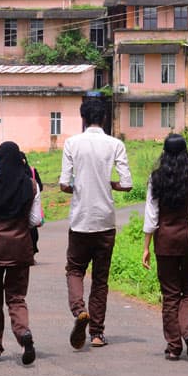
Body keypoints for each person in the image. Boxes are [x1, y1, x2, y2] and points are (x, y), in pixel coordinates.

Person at [59, 98, 132, 349]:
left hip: (80, 220)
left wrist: (80, 187)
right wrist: (107, 184)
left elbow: (64, 184)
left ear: (83, 119)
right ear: (103, 119)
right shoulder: (115, 144)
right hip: (105, 220)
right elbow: (127, 183)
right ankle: (97, 333)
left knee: (75, 270)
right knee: (100, 279)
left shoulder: (71, 143)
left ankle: (80, 310)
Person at [141, 134, 188, 361]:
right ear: (185, 153)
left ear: (164, 152)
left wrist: (146, 247)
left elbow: (151, 218)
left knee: (170, 294)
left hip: (165, 243)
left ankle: (173, 346)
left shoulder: (156, 178)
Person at [0, 141, 43, 365]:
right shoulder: (31, 186)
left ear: (0, 160)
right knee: (17, 298)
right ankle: (23, 334)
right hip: (21, 249)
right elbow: (34, 220)